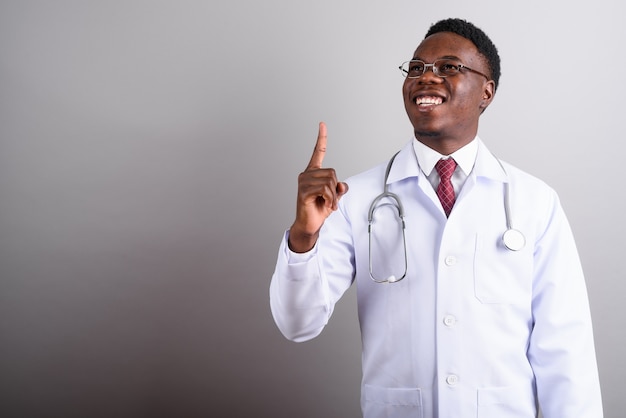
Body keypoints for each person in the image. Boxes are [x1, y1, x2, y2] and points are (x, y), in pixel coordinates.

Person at [270, 18, 603, 418]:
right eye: (416, 68)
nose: (426, 79)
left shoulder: (534, 201)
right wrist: (304, 236)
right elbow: (297, 324)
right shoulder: (353, 198)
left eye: (449, 67)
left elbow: (565, 348)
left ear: (487, 91)